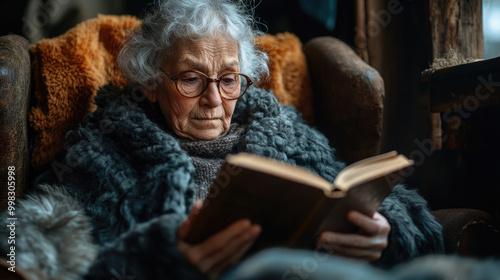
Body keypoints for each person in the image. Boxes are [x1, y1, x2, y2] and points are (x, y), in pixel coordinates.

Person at [1, 0, 444, 279]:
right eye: (192, 79)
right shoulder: (106, 154)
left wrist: (387, 237)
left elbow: (420, 228)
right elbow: (20, 243)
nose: (215, 99)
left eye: (230, 79)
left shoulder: (288, 136)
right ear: (152, 82)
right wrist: (156, 259)